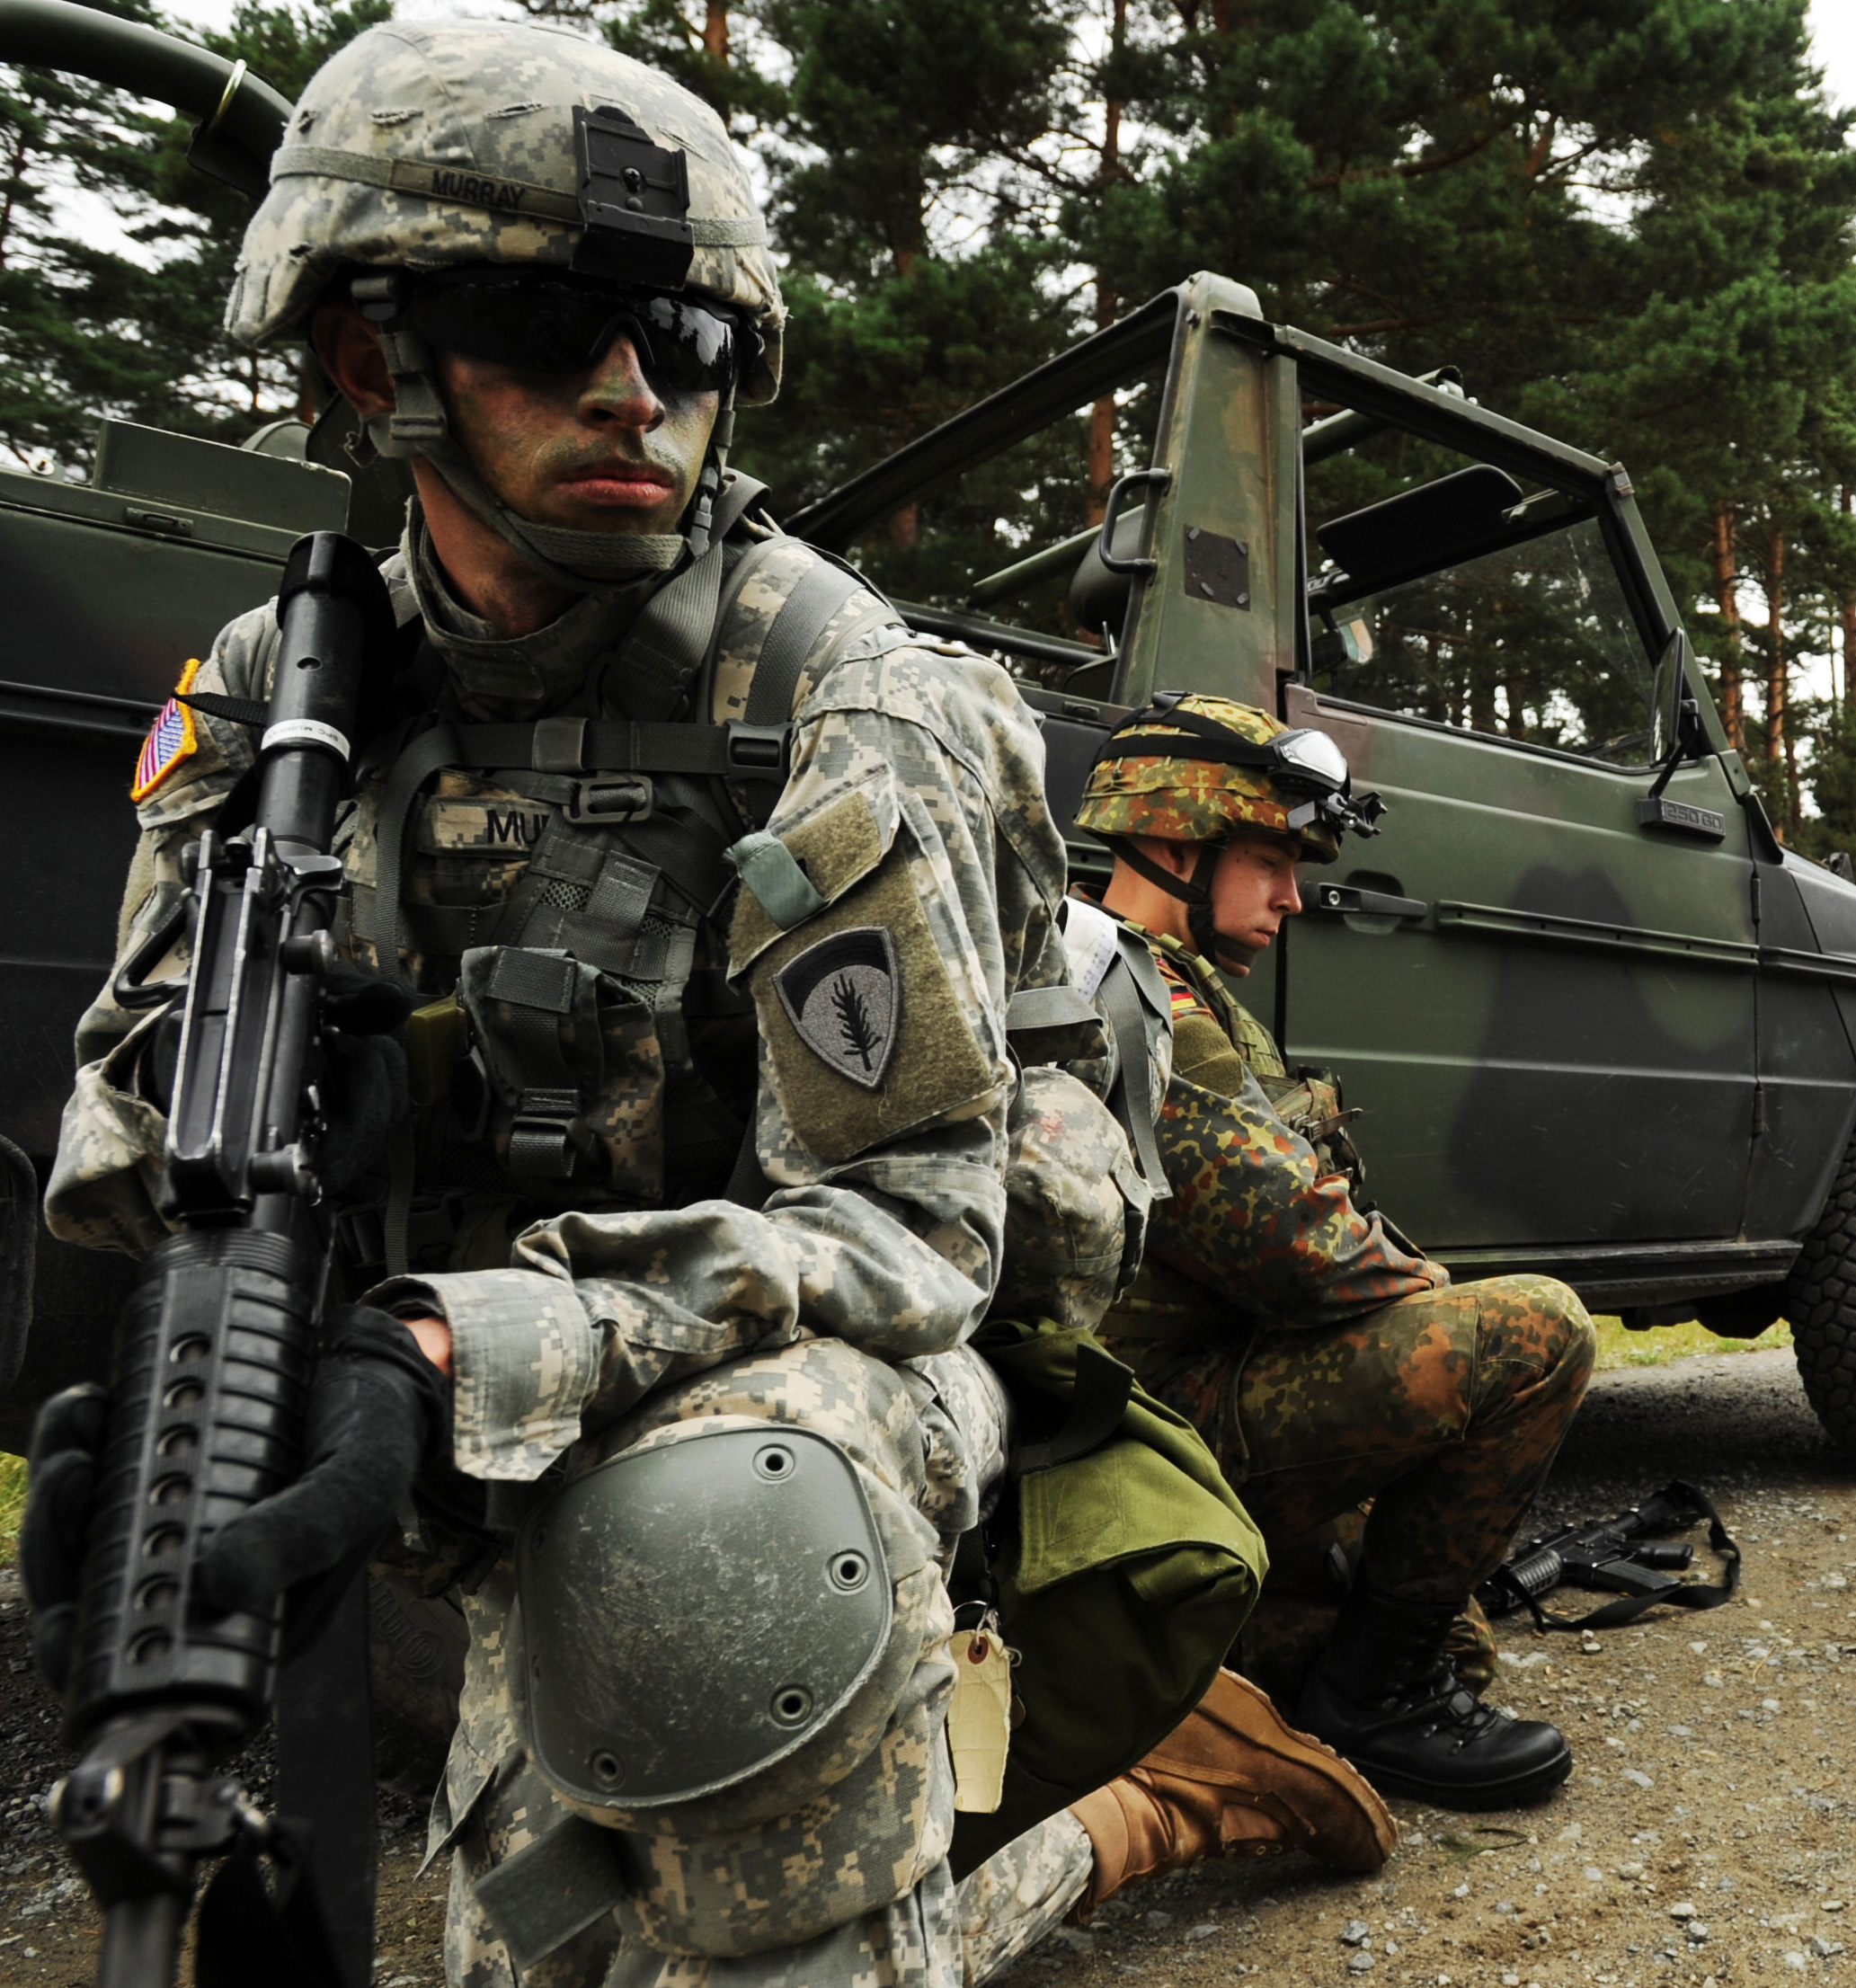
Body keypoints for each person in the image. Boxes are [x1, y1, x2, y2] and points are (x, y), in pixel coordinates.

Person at [22, 22, 1381, 1984]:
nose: (628, 388)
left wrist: (445, 1354)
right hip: (487, 1354)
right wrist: (182, 1393)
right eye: (545, 316)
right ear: (362, 357)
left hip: (820, 1342)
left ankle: (1134, 1799)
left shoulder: (834, 697)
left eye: (690, 340)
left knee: (713, 1567)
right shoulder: (273, 703)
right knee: (553, 1939)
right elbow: (154, 1103)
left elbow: (921, 1226)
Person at [1075, 695, 1594, 1811]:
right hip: (1151, 1417)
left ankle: (1331, 1666)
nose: (1293, 896)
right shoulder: (1125, 997)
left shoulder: (1174, 985)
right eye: (1268, 859)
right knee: (1538, 1332)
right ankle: (1374, 1701)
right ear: (1174, 842)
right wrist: (1432, 1300)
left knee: (1451, 1633)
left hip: (1189, 1387)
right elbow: (1299, 1248)